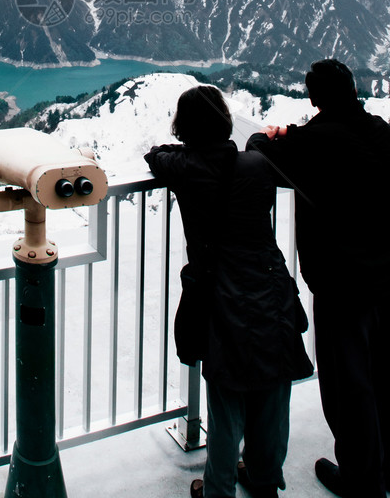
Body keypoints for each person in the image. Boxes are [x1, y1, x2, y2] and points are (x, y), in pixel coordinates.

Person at [247, 59, 390, 498]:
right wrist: (297, 134)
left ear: (314, 97)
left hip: (344, 282)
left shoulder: (314, 142)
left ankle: (363, 481)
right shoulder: (380, 130)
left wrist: (275, 135)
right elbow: (337, 146)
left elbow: (259, 149)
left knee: (350, 385)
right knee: (388, 378)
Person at [145, 85, 313, 498]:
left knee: (226, 404)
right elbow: (253, 152)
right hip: (272, 289)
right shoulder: (255, 164)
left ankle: (218, 490)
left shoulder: (184, 167)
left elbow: (155, 157)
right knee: (273, 396)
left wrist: (182, 145)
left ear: (185, 130)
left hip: (223, 297)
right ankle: (263, 479)